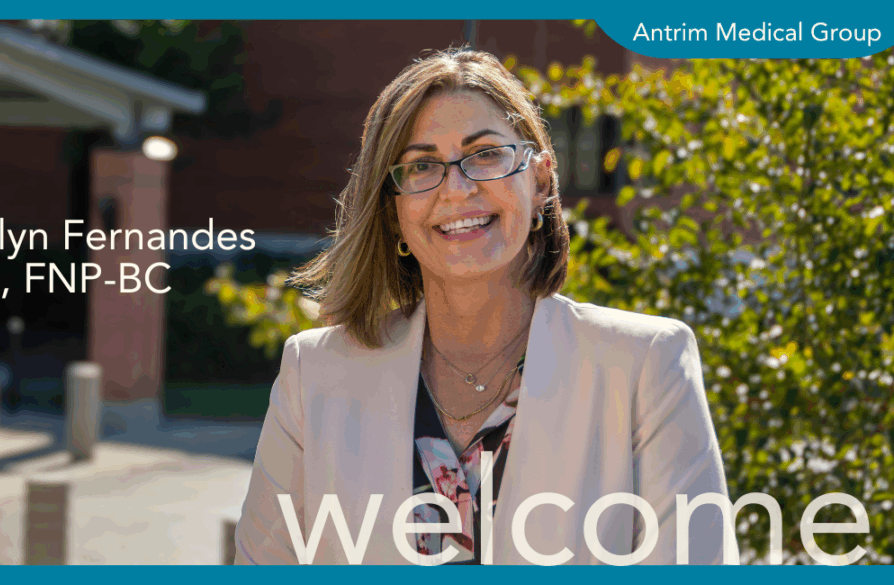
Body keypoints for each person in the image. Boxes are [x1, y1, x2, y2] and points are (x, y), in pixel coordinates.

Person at [234, 48, 735, 565]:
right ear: (393, 211)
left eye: (486, 154)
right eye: (422, 165)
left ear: (540, 181)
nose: (457, 188)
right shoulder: (314, 372)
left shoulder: (645, 363)